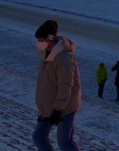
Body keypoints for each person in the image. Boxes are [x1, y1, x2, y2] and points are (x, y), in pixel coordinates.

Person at [32, 19, 81, 151]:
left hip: (64, 107)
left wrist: (57, 110)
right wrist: (43, 107)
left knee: (65, 142)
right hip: (49, 107)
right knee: (39, 136)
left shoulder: (65, 58)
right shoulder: (44, 55)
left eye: (41, 40)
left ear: (50, 39)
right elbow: (44, 83)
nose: (38, 43)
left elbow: (66, 86)